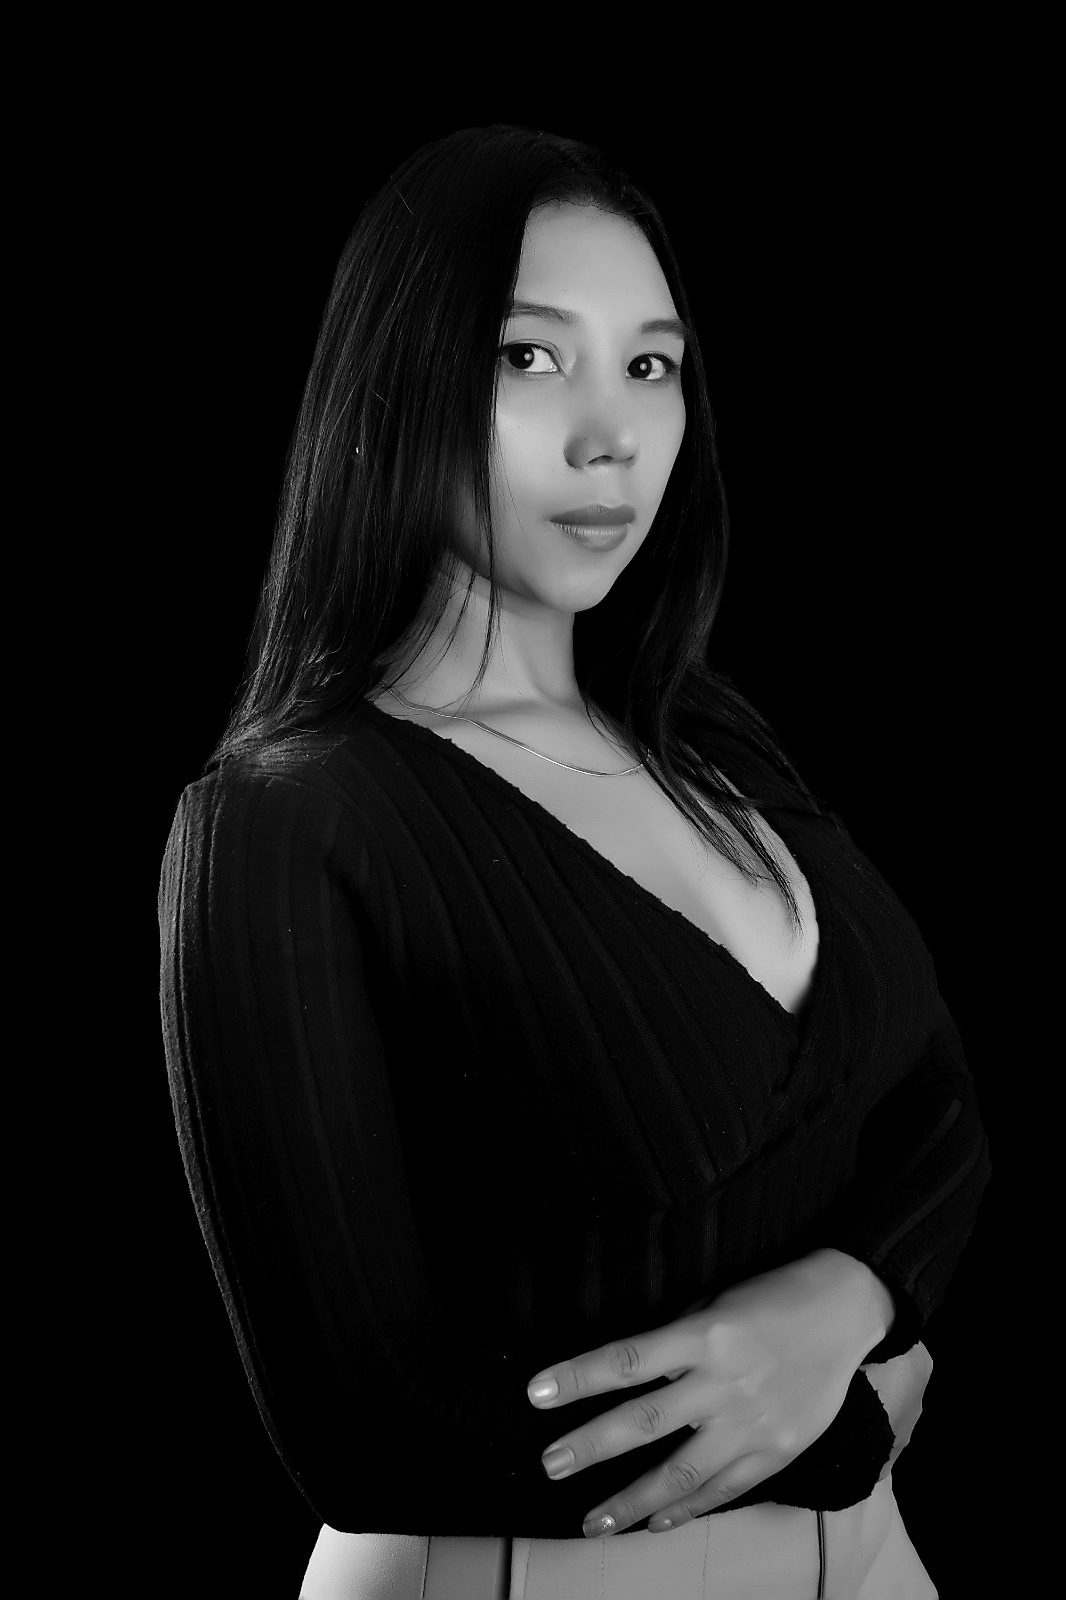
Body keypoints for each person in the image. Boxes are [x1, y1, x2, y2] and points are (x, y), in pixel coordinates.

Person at [157, 124, 991, 1599]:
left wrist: (847, 1295)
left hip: (868, 1566)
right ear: (395, 381)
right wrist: (848, 1421)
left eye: (650, 365)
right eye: (529, 357)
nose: (611, 434)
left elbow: (933, 1101)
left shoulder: (705, 733)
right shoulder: (287, 823)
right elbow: (359, 1426)